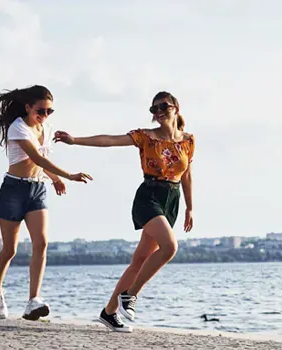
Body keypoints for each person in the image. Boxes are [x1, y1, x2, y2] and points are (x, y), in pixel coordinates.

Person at [53, 91, 195, 332]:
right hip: (149, 197)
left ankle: (108, 313)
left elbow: (187, 174)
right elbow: (109, 140)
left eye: (164, 106)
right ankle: (130, 296)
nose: (159, 112)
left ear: (176, 108)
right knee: (170, 248)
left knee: (139, 260)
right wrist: (75, 140)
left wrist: (190, 207)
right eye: (154, 109)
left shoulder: (188, 140)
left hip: (172, 200)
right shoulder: (145, 137)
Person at [0, 84, 92, 321]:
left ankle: (33, 301)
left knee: (42, 243)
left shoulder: (45, 129)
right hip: (13, 189)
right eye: (41, 110)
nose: (44, 116)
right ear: (28, 107)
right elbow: (35, 157)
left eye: (49, 111)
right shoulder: (18, 128)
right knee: (10, 250)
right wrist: (69, 175)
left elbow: (42, 161)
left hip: (37, 189)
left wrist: (55, 179)